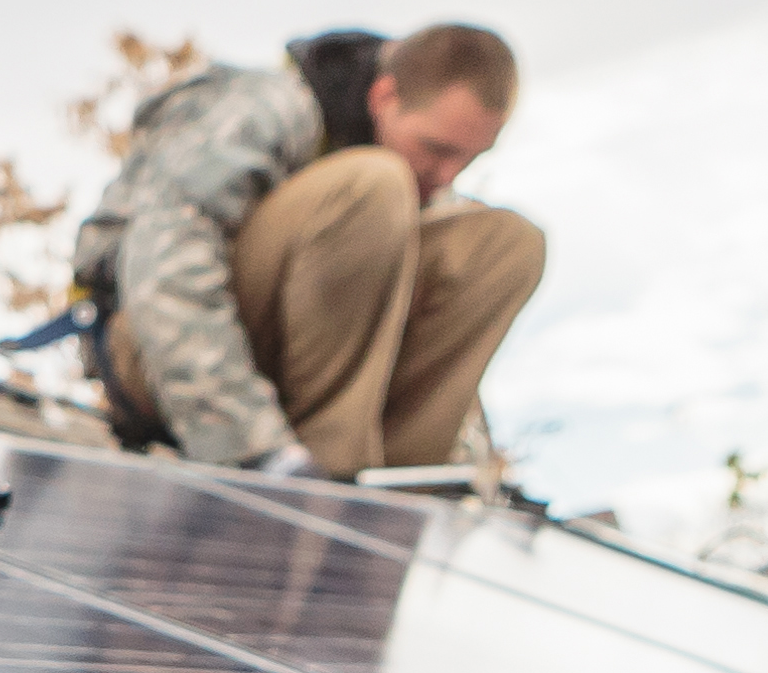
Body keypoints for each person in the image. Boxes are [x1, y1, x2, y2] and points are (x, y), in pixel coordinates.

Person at [78, 25, 546, 479]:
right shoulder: (262, 110)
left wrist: (474, 469)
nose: (448, 175)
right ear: (385, 97)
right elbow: (164, 275)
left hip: (305, 380)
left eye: (469, 158)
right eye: (436, 149)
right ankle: (335, 471)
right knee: (374, 184)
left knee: (508, 245)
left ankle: (405, 482)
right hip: (153, 356)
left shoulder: (423, 179)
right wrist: (253, 449)